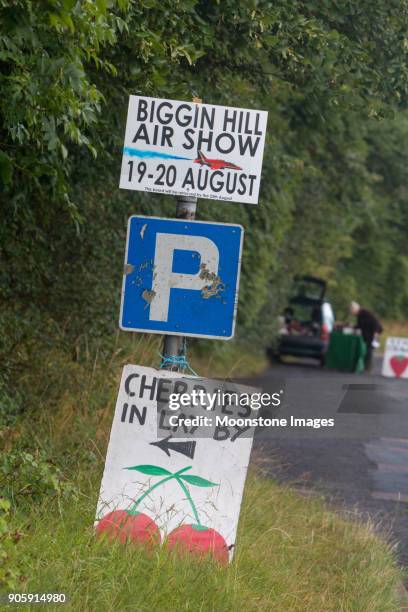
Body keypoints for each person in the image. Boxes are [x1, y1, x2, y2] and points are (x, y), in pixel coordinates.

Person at [350, 301, 383, 371]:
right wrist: (352, 327)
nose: (352, 313)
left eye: (352, 311)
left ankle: (368, 368)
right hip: (367, 334)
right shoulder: (359, 315)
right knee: (367, 350)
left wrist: (376, 332)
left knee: (369, 350)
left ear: (355, 309)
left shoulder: (366, 313)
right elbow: (360, 326)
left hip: (373, 334)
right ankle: (366, 366)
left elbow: (375, 322)